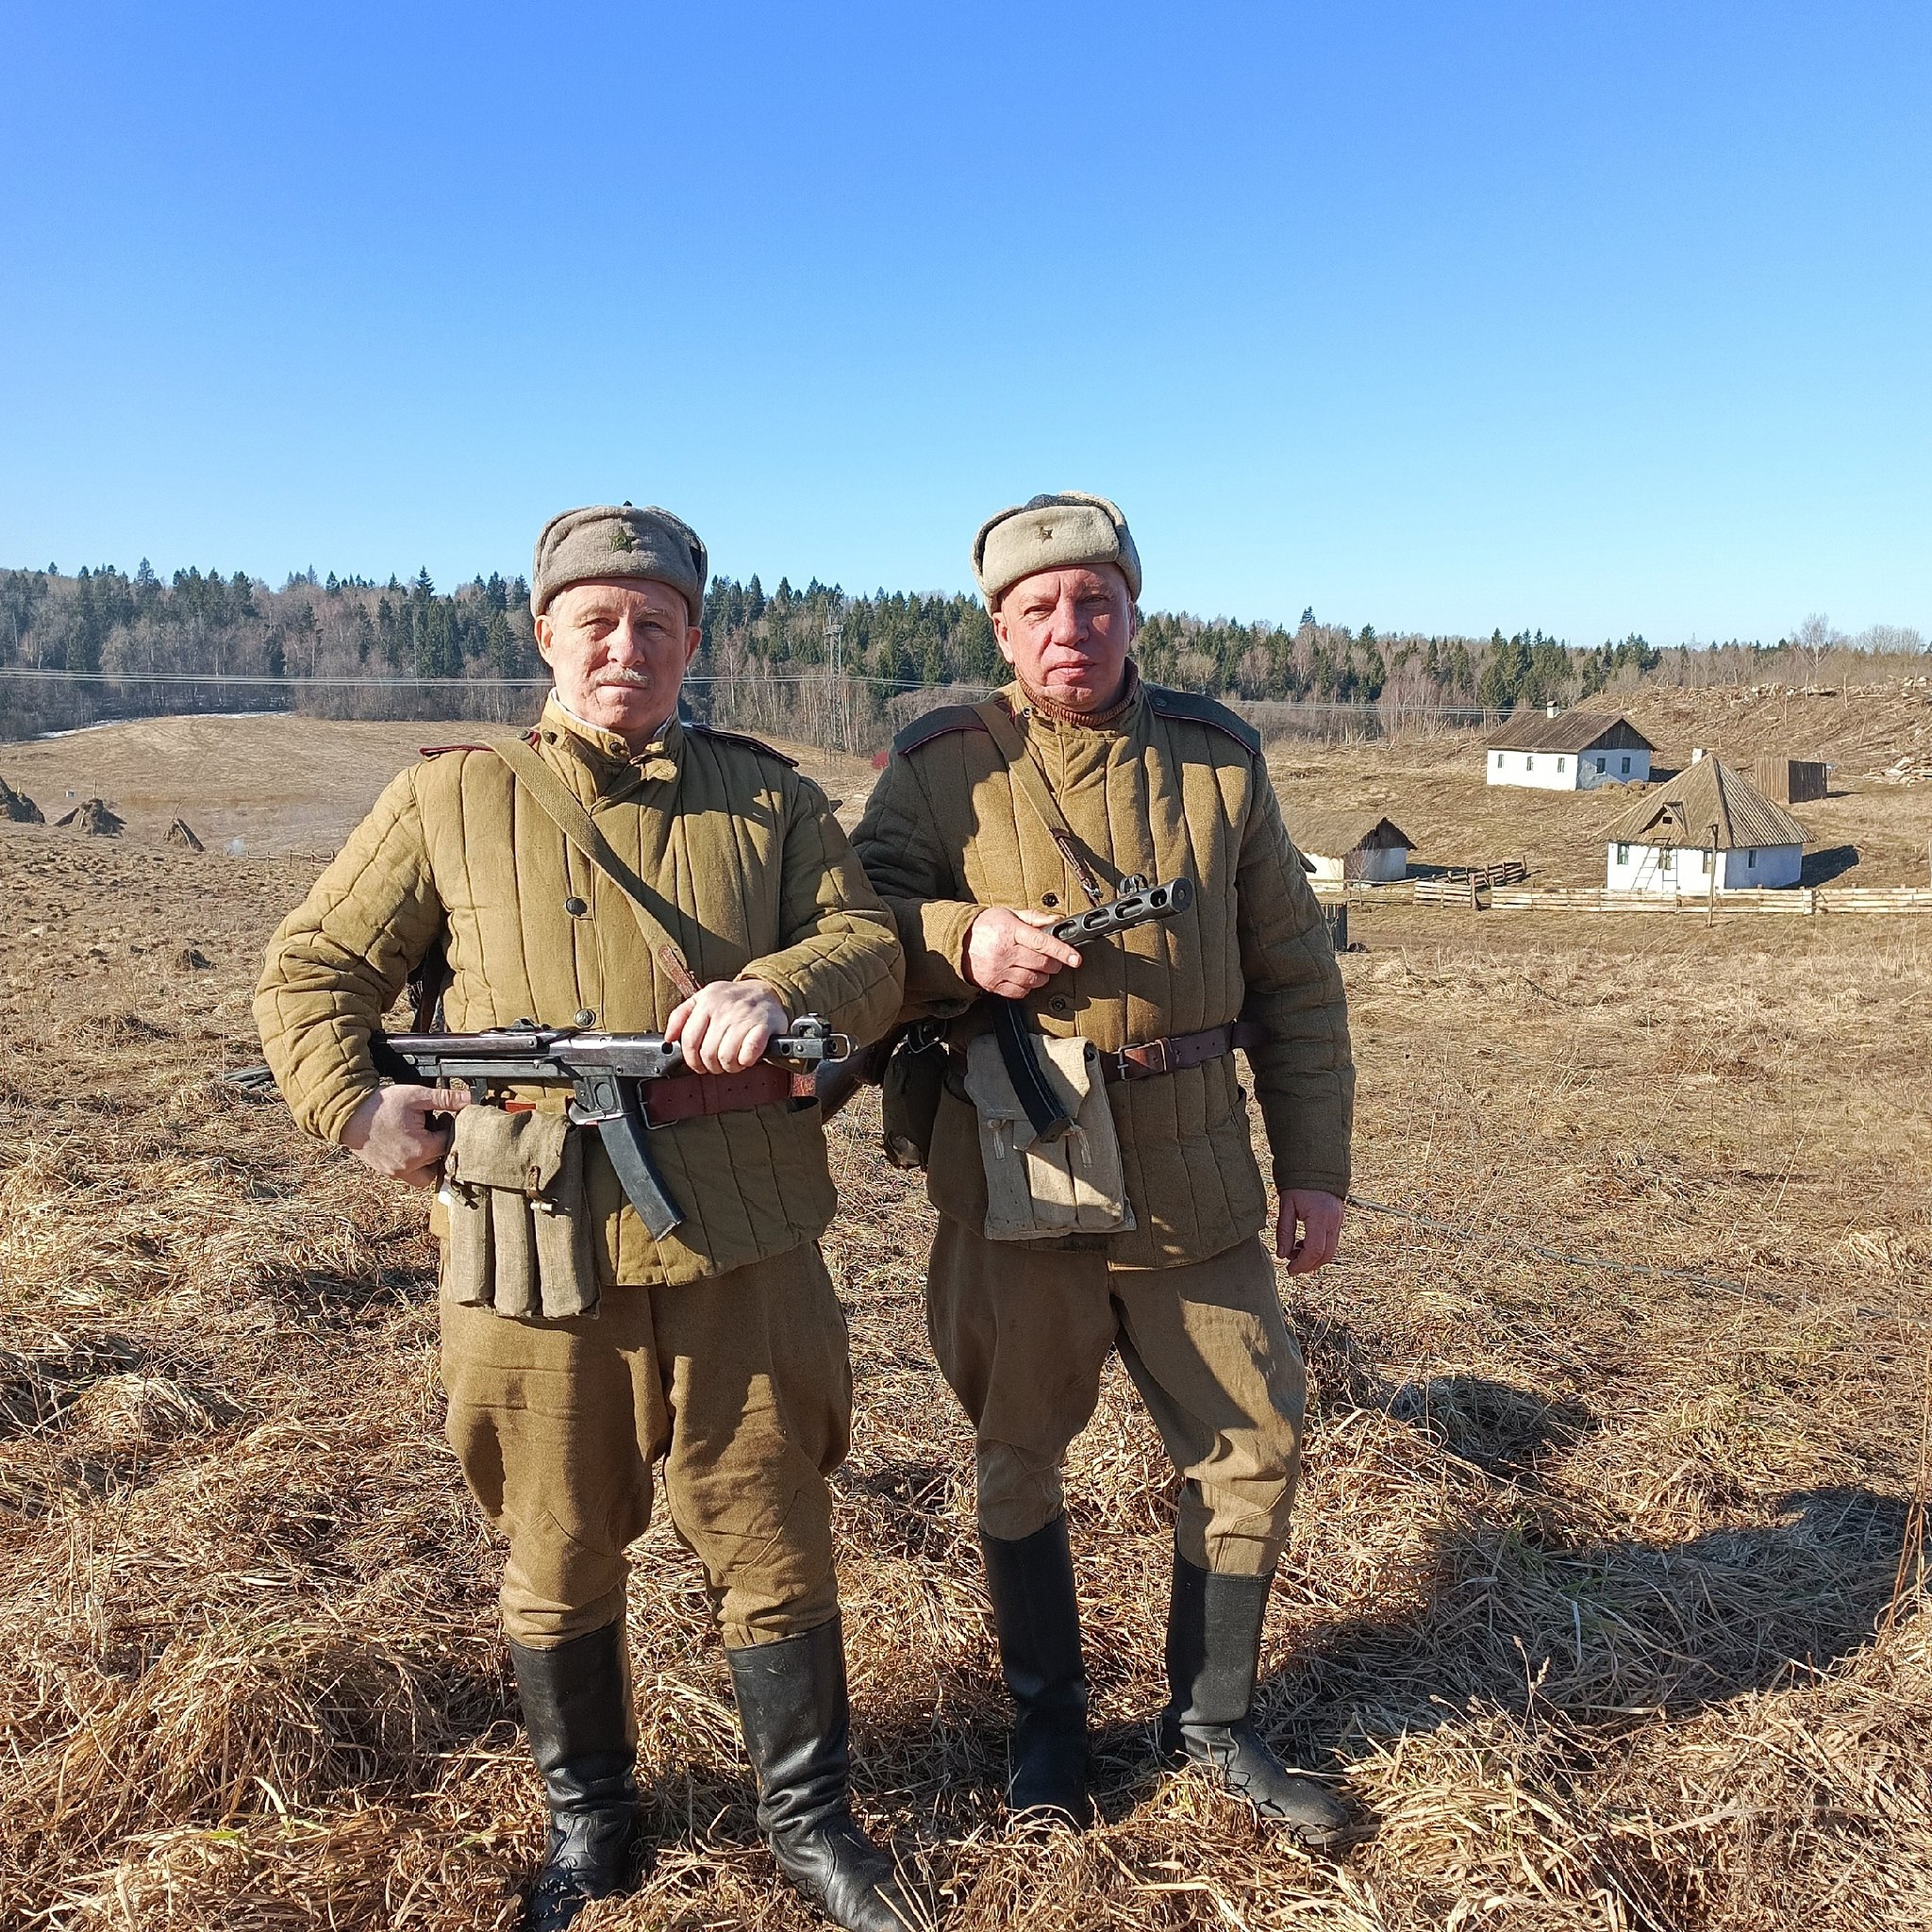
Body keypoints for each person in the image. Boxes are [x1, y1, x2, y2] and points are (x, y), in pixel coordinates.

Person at [255, 504, 910, 1932]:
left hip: (744, 1234)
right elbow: (310, 974)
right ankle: (591, 1826)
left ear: (692, 640)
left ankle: (811, 1823)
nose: (626, 647)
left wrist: (777, 989)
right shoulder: (449, 800)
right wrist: (355, 1111)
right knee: (553, 1541)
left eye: (655, 623)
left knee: (774, 1525)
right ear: (545, 634)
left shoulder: (769, 800)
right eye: (597, 621)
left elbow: (870, 946)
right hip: (532, 1247)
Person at [851, 492, 1357, 1846]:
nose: (1067, 628)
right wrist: (961, 940)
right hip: (1016, 1171)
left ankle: (1214, 1722)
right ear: (999, 629)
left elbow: (1297, 979)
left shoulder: (1218, 762)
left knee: (1253, 1443)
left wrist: (1314, 1167)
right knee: (1019, 1448)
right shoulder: (940, 766)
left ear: (1134, 610)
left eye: (1094, 602)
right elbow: (851, 929)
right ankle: (1049, 1734)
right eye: (1037, 609)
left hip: (1196, 1172)